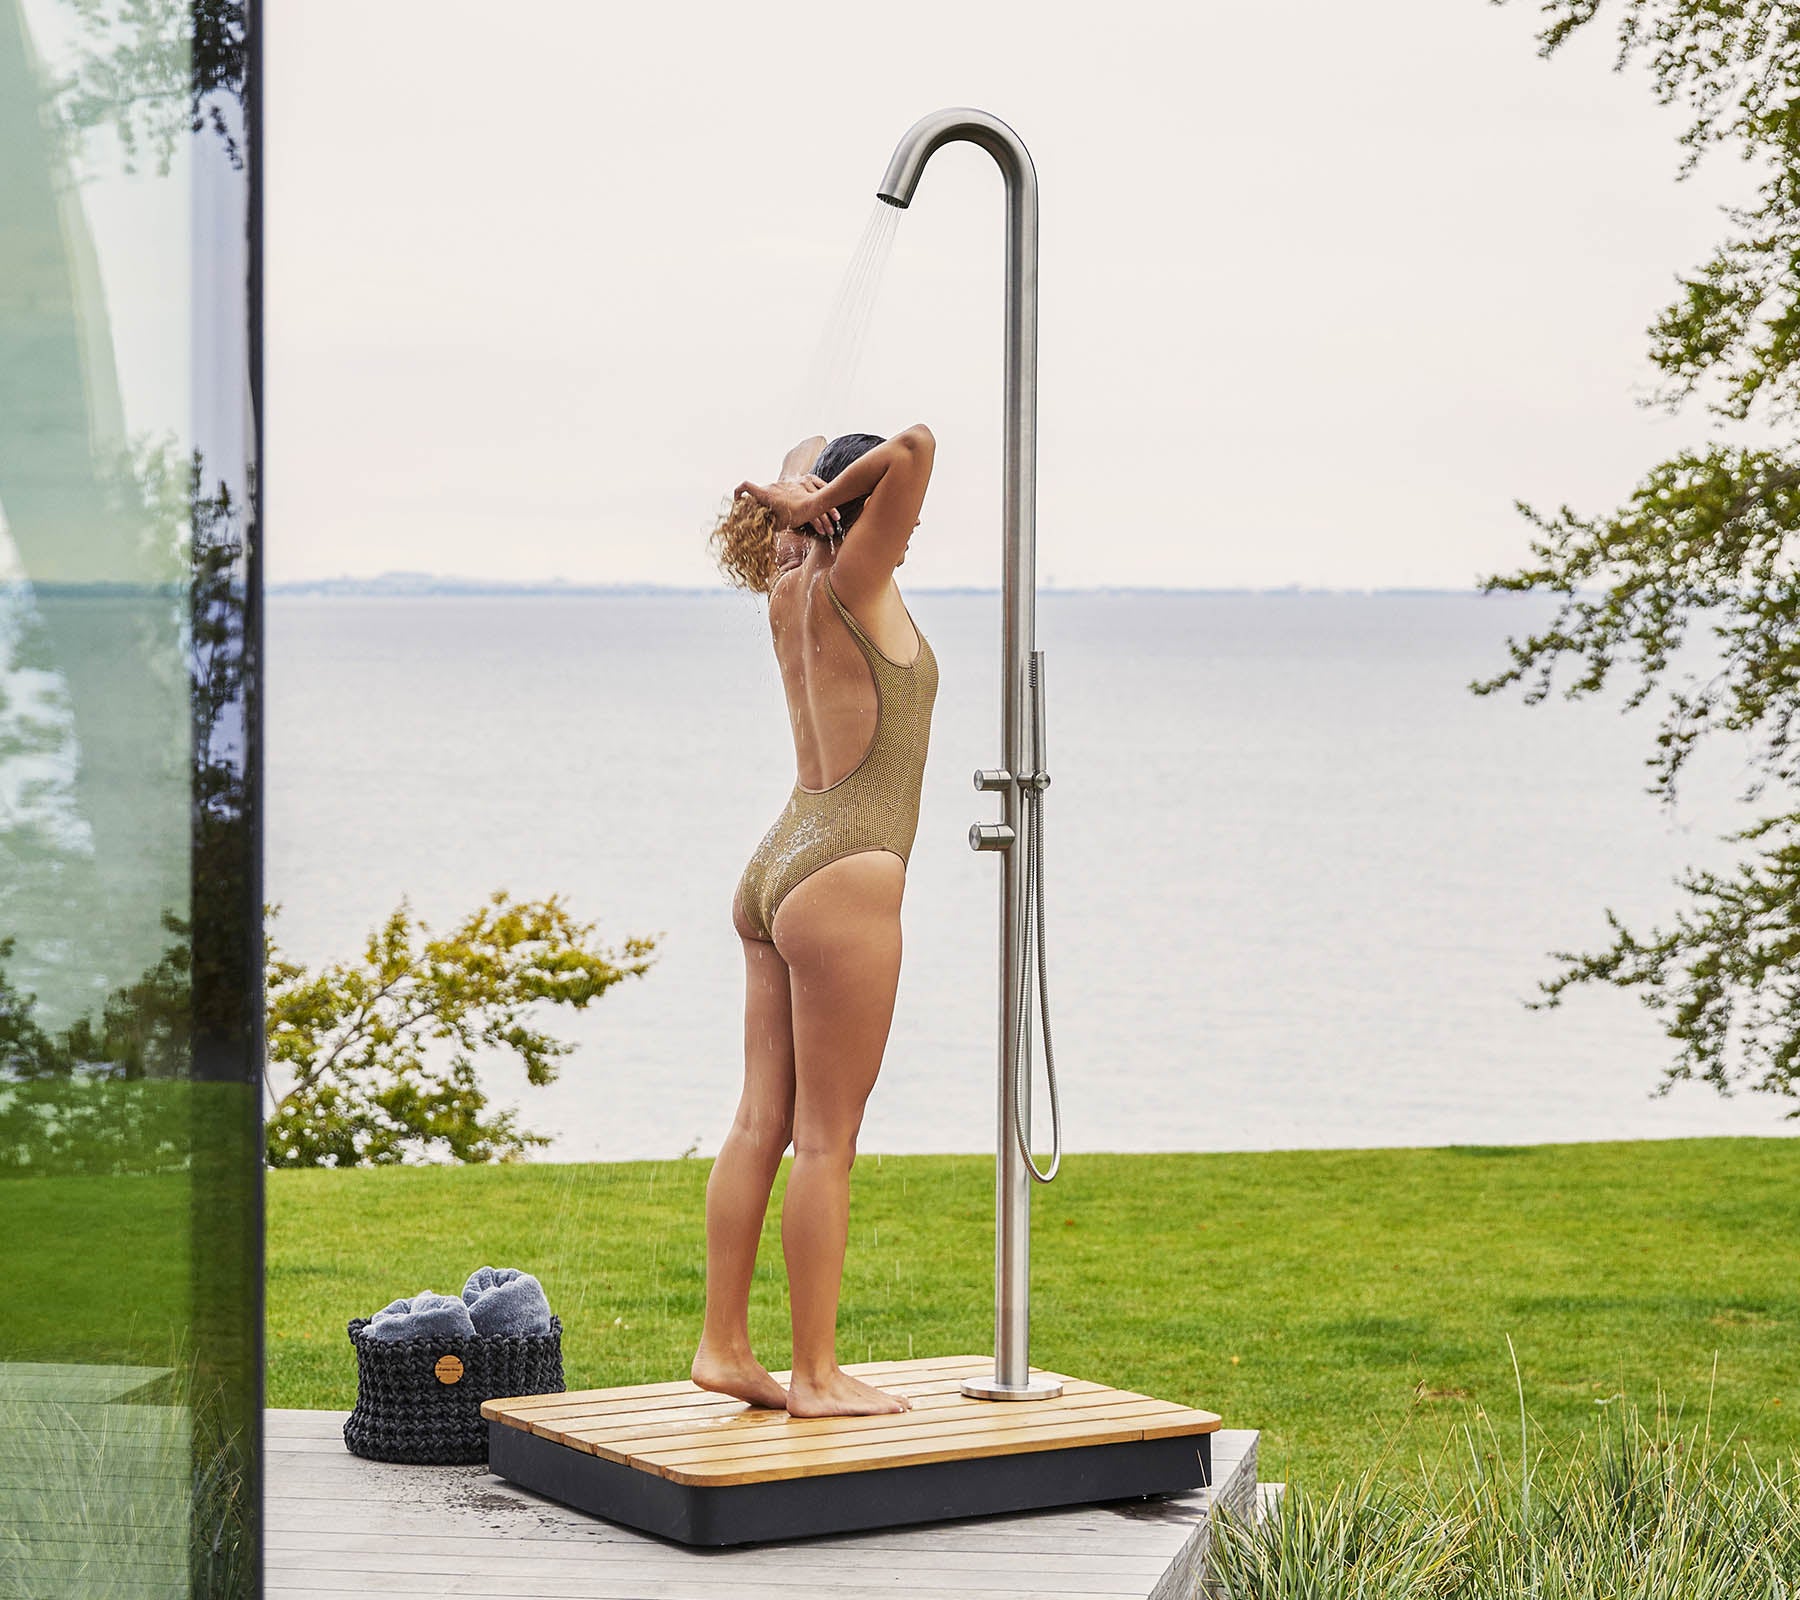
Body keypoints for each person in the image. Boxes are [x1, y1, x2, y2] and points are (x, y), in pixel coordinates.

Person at [691, 424, 939, 1418]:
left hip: (780, 856)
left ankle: (723, 1345)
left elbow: (833, 449)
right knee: (827, 1138)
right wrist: (817, 497)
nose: (910, 529)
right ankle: (817, 1377)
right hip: (845, 868)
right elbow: (917, 445)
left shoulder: (790, 587)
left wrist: (804, 486)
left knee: (762, 1119)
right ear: (853, 508)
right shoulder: (852, 576)